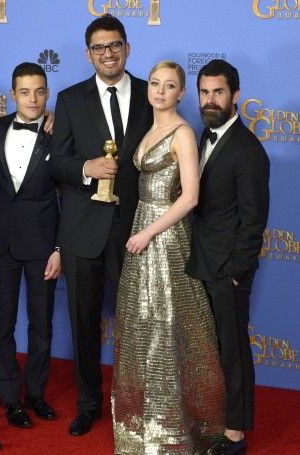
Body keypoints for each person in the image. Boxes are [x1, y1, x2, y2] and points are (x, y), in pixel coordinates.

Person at [111, 61, 226, 454]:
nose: (160, 91)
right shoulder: (148, 129)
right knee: (140, 326)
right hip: (141, 229)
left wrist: (146, 232)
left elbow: (190, 197)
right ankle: (142, 425)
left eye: (170, 85)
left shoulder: (182, 134)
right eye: (156, 83)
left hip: (165, 235)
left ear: (181, 94)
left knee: (169, 327)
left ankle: (175, 429)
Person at [48, 14, 153, 436]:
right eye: (98, 47)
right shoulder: (70, 98)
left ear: (127, 48)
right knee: (83, 321)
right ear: (88, 53)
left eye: (115, 45)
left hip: (137, 229)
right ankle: (88, 403)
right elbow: (57, 162)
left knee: (142, 322)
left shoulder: (153, 94)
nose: (107, 53)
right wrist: (87, 167)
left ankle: (139, 404)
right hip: (81, 230)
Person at [186, 59, 270, 455]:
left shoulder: (248, 149)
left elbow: (254, 220)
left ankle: (235, 434)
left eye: (218, 92)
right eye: (204, 92)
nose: (210, 99)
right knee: (210, 348)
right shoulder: (203, 135)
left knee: (233, 351)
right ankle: (214, 417)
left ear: (235, 96)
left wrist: (236, 272)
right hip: (201, 262)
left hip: (226, 270)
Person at [0, 62, 60, 429]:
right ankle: (10, 397)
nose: (32, 99)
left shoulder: (61, 132)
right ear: (12, 95)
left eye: (39, 91)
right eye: (25, 92)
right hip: (0, 243)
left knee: (41, 325)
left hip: (44, 245)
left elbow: (72, 195)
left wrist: (60, 247)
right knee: (1, 323)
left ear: (47, 94)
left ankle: (36, 393)